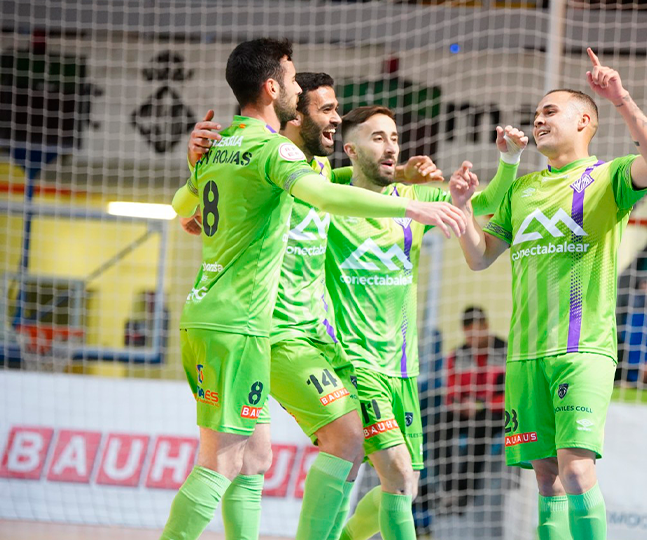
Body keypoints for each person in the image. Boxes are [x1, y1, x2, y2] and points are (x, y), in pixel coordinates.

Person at [163, 39, 465, 540]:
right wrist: (411, 206)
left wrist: (400, 179)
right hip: (255, 327)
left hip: (245, 323)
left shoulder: (252, 151)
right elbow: (323, 195)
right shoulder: (277, 155)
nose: (335, 119)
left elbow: (183, 204)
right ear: (283, 100)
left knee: (253, 458)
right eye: (323, 107)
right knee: (243, 457)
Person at [453, 48, 647, 539]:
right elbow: (479, 256)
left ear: (585, 121)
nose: (538, 120)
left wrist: (621, 98)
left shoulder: (606, 177)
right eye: (536, 114)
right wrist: (465, 208)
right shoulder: (521, 188)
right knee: (546, 479)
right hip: (526, 354)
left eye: (550, 110)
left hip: (582, 348)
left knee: (576, 471)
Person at [326, 106, 528, 540]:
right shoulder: (328, 204)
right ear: (350, 149)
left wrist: (506, 163)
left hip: (404, 369)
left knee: (405, 485)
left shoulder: (416, 202)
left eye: (394, 136)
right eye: (377, 137)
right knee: (395, 474)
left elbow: (488, 204)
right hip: (355, 365)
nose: (390, 144)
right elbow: (311, 183)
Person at [439, 306, 507, 511]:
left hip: (495, 413)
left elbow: (513, 395)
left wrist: (481, 406)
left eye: (477, 333)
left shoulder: (506, 351)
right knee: (439, 425)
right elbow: (450, 393)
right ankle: (446, 489)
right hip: (466, 411)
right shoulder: (457, 355)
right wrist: (458, 406)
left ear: (486, 326)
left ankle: (464, 493)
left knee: (479, 428)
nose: (473, 340)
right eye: (469, 336)